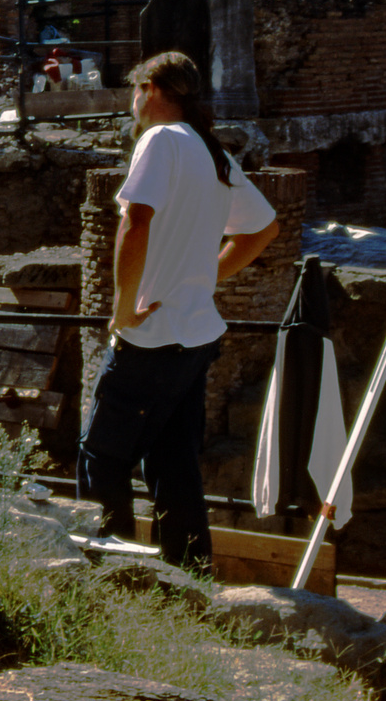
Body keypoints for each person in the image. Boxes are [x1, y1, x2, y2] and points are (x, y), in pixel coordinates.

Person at [76, 51, 280, 572]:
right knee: (174, 465)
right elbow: (264, 228)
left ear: (149, 88)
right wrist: (205, 277)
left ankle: (106, 579)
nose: (133, 104)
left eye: (134, 91)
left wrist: (123, 309)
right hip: (195, 335)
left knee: (103, 456)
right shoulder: (211, 151)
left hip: (152, 335)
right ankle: (190, 578)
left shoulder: (161, 139)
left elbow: (135, 223)